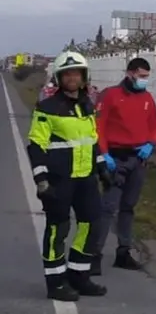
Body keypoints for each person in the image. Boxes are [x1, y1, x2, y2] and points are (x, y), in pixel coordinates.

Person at [27, 51, 112, 301]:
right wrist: (41, 180)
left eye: (76, 73)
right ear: (59, 78)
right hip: (58, 180)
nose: (72, 78)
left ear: (84, 76)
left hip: (85, 179)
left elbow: (91, 142)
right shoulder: (47, 108)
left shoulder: (87, 106)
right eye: (67, 74)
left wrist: (102, 169)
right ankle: (55, 283)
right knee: (58, 229)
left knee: (91, 225)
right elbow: (36, 145)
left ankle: (79, 276)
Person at [93, 57, 156, 274]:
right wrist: (104, 155)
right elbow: (99, 127)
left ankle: (123, 252)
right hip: (116, 157)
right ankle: (94, 255)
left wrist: (151, 143)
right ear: (130, 73)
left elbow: (155, 125)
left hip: (138, 159)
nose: (144, 81)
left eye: (146, 77)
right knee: (107, 208)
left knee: (128, 207)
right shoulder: (111, 95)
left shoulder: (147, 99)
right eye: (141, 76)